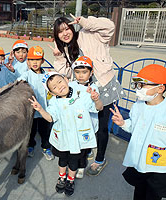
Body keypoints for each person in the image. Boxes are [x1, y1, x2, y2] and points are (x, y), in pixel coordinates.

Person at [50, 14, 125, 176]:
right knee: (87, 123)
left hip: (104, 86)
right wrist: (59, 58)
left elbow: (110, 27)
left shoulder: (88, 33)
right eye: (60, 32)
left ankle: (100, 159)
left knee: (102, 127)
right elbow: (66, 74)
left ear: (72, 27)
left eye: (66, 29)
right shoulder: (65, 48)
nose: (65, 33)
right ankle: (89, 148)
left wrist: (85, 22)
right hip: (83, 91)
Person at [29, 72, 102, 196]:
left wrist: (97, 100)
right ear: (52, 93)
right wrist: (40, 109)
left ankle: (70, 180)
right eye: (54, 87)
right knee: (62, 161)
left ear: (66, 80)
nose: (59, 86)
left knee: (73, 162)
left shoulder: (82, 94)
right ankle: (62, 178)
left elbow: (99, 108)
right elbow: (50, 118)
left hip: (78, 139)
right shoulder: (53, 102)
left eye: (59, 81)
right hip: (62, 138)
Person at [110, 64, 166, 200]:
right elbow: (133, 127)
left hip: (159, 167)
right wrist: (123, 123)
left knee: (153, 195)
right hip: (139, 161)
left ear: (160, 88)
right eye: (137, 85)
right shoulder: (137, 106)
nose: (138, 90)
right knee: (139, 192)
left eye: (142, 85)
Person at [17, 46, 54, 160]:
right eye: (32, 59)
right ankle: (30, 146)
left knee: (45, 131)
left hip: (44, 109)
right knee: (31, 131)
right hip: (31, 110)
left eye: (37, 59)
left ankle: (46, 148)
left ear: (42, 61)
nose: (35, 62)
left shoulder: (46, 75)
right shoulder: (27, 74)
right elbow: (19, 81)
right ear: (28, 61)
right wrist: (20, 83)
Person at [71, 55, 101, 178]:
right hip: (74, 123)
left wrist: (95, 99)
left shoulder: (93, 88)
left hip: (87, 124)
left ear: (91, 72)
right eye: (77, 72)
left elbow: (98, 107)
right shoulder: (71, 85)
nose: (81, 75)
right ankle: (73, 165)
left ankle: (81, 167)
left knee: (83, 149)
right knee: (74, 146)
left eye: (84, 72)